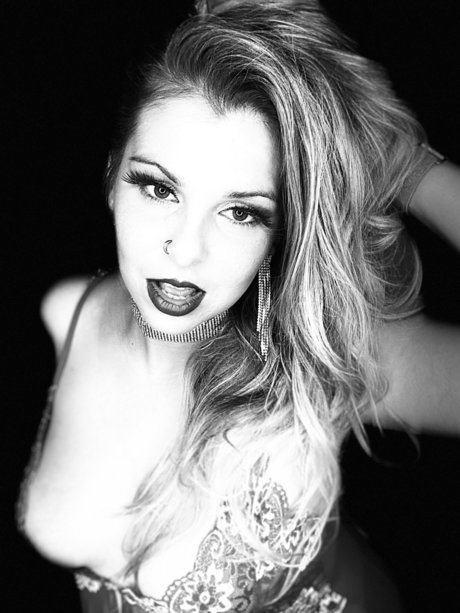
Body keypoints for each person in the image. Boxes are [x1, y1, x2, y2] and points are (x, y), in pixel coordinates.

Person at [16, 0, 460, 611]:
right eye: (159, 188)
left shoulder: (319, 364)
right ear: (113, 178)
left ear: (279, 234)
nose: (186, 250)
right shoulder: (66, 312)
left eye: (241, 212)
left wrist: (406, 167)